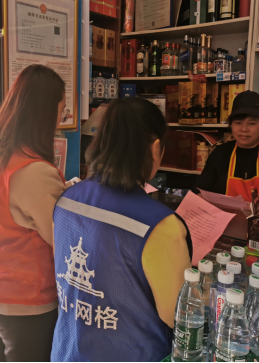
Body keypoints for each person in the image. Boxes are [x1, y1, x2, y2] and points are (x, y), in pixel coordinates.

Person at [51, 97, 193, 362]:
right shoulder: (161, 226)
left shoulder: (66, 200)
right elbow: (179, 317)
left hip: (67, 353)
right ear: (155, 149)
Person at [0, 65, 72, 362]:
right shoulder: (35, 171)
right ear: (43, 113)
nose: (61, 118)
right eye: (62, 110)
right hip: (26, 300)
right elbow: (61, 238)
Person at [195, 91, 259, 202]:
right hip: (225, 213)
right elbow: (199, 191)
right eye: (238, 123)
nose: (244, 129)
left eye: (251, 123)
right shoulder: (220, 153)